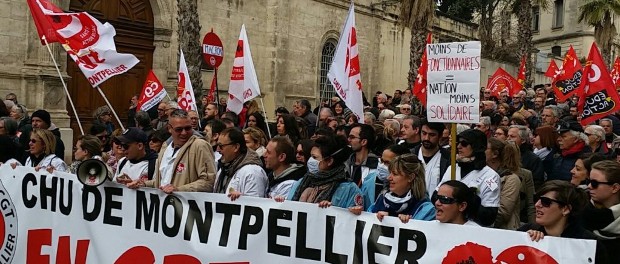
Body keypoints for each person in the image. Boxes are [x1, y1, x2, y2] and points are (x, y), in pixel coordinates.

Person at [518, 180, 608, 263]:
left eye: (546, 202)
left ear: (565, 209)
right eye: (536, 199)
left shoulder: (588, 243)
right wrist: (524, 240)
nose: (537, 205)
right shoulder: (526, 231)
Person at [128, 109, 216, 193]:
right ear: (170, 129)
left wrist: (178, 190)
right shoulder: (165, 147)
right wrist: (143, 184)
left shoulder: (200, 145)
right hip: (165, 206)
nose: (184, 133)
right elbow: (162, 182)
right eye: (179, 129)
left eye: (188, 128)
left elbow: (208, 182)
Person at [437, 129, 500, 227]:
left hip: (473, 230)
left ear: (476, 146)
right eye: (458, 143)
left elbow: (488, 217)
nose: (458, 146)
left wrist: (468, 198)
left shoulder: (490, 176)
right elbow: (435, 197)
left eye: (464, 143)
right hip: (447, 226)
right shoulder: (452, 169)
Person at [287, 135, 362, 208]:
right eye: (310, 156)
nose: (310, 160)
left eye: (314, 157)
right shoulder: (303, 181)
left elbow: (351, 217)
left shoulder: (349, 190)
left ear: (329, 161)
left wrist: (331, 209)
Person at [362, 154, 435, 223]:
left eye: (395, 174)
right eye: (390, 173)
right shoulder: (382, 199)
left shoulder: (425, 208)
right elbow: (367, 221)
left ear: (410, 177)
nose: (389, 178)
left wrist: (404, 223)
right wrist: (358, 214)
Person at [214, 127, 268, 199]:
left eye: (221, 146)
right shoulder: (224, 168)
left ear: (236, 147)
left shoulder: (253, 172)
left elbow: (253, 205)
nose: (218, 150)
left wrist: (239, 200)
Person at [583, 160, 620, 262]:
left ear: (615, 188)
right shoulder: (579, 211)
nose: (589, 186)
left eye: (595, 183)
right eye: (588, 181)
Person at [486, 138, 522, 230]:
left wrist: (481, 222)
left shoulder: (511, 179)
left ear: (495, 154)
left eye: (485, 148)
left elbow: (503, 212)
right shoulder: (483, 174)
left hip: (503, 231)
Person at [345, 124, 381, 209]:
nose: (348, 140)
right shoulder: (345, 164)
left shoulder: (378, 166)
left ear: (364, 142)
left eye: (352, 137)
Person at [508, 125, 544, 192]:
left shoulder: (533, 159)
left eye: (512, 136)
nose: (508, 139)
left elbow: (536, 184)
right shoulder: (504, 155)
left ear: (523, 140)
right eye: (508, 136)